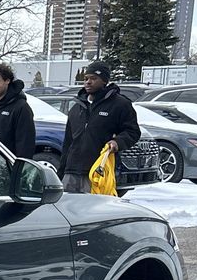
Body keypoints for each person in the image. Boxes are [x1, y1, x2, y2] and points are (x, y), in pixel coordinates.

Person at [60, 60, 140, 194]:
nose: (88, 82)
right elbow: (68, 143)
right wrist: (61, 172)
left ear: (104, 81)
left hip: (99, 170)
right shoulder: (76, 107)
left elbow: (133, 132)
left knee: (94, 213)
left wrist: (117, 142)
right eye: (86, 79)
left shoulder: (120, 104)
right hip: (72, 172)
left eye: (93, 78)